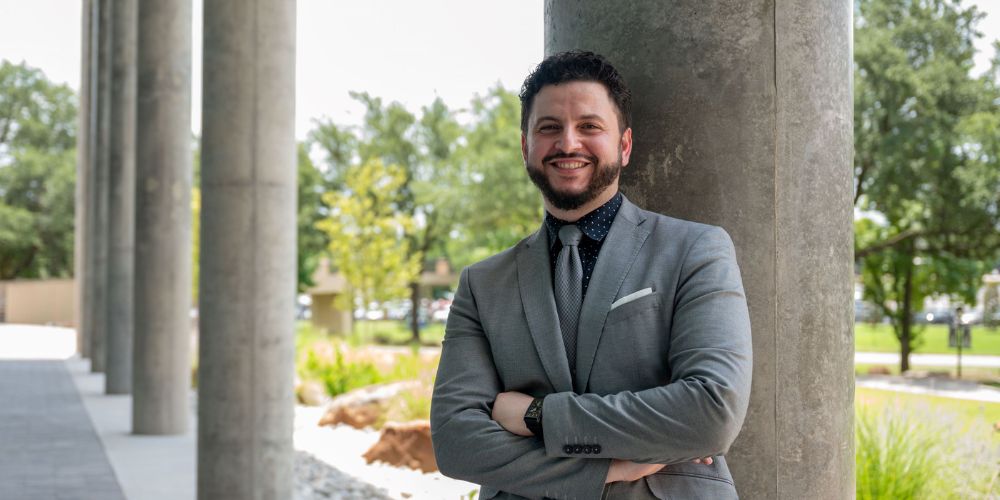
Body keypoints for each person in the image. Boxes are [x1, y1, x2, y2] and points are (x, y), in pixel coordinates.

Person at [430, 50, 752, 500]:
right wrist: (606, 469)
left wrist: (538, 416)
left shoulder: (695, 250)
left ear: (623, 145)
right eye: (548, 128)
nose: (567, 143)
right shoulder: (482, 285)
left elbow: (712, 413)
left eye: (589, 126)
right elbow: (455, 442)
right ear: (526, 147)